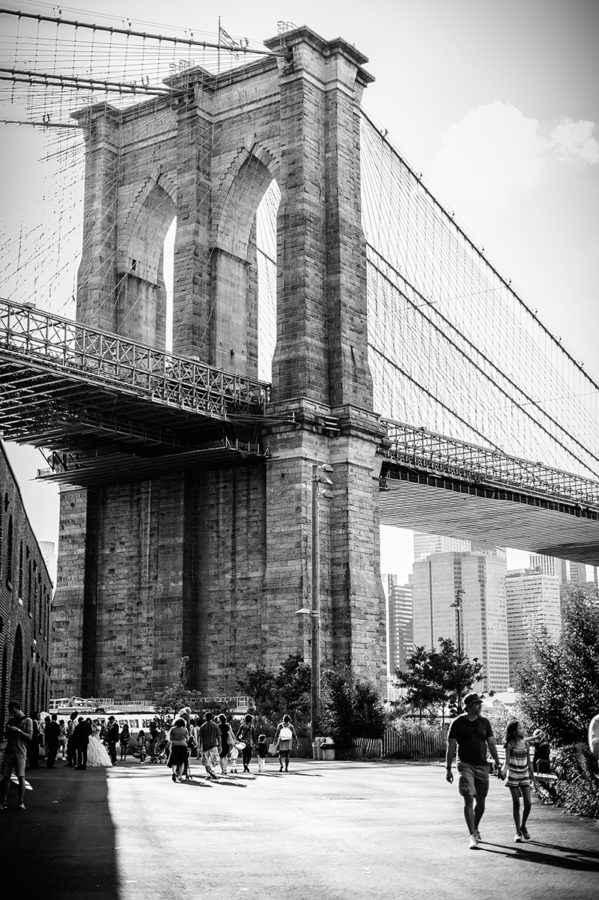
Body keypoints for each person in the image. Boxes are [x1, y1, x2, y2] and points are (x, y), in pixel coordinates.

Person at [445, 692, 502, 850]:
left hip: (482, 766)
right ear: (469, 706)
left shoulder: (485, 722)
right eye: (477, 704)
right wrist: (448, 769)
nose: (480, 706)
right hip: (465, 765)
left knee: (481, 801)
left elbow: (491, 744)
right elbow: (451, 747)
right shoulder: (457, 723)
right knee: (469, 797)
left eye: (480, 703)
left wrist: (498, 763)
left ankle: (475, 828)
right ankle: (472, 836)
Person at [502, 721, 534, 842]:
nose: (523, 729)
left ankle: (523, 826)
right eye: (520, 728)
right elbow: (506, 763)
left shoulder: (526, 744)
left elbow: (529, 763)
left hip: (525, 775)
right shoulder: (510, 745)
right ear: (514, 731)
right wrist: (503, 771)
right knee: (516, 803)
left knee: (528, 803)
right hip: (513, 776)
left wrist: (534, 780)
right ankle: (517, 832)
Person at [1, 700, 33, 810]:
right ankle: (4, 801)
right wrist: (7, 731)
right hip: (9, 751)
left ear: (16, 707)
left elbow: (29, 737)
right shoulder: (11, 720)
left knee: (20, 776)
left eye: (11, 710)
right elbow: (6, 736)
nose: (11, 712)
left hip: (20, 752)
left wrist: (18, 730)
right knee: (6, 777)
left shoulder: (28, 720)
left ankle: (21, 801)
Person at [198, 712, 221, 780]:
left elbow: (200, 737)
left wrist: (199, 746)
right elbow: (219, 736)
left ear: (205, 717)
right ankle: (211, 771)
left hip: (205, 745)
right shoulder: (215, 725)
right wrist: (220, 745)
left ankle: (209, 773)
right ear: (212, 717)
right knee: (215, 760)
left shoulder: (203, 726)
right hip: (213, 745)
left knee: (206, 760)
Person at [167, 717, 189, 783]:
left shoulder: (172, 729)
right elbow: (187, 739)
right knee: (181, 761)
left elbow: (170, 739)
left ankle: (174, 773)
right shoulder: (185, 729)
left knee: (174, 761)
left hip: (175, 746)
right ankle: (180, 776)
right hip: (183, 746)